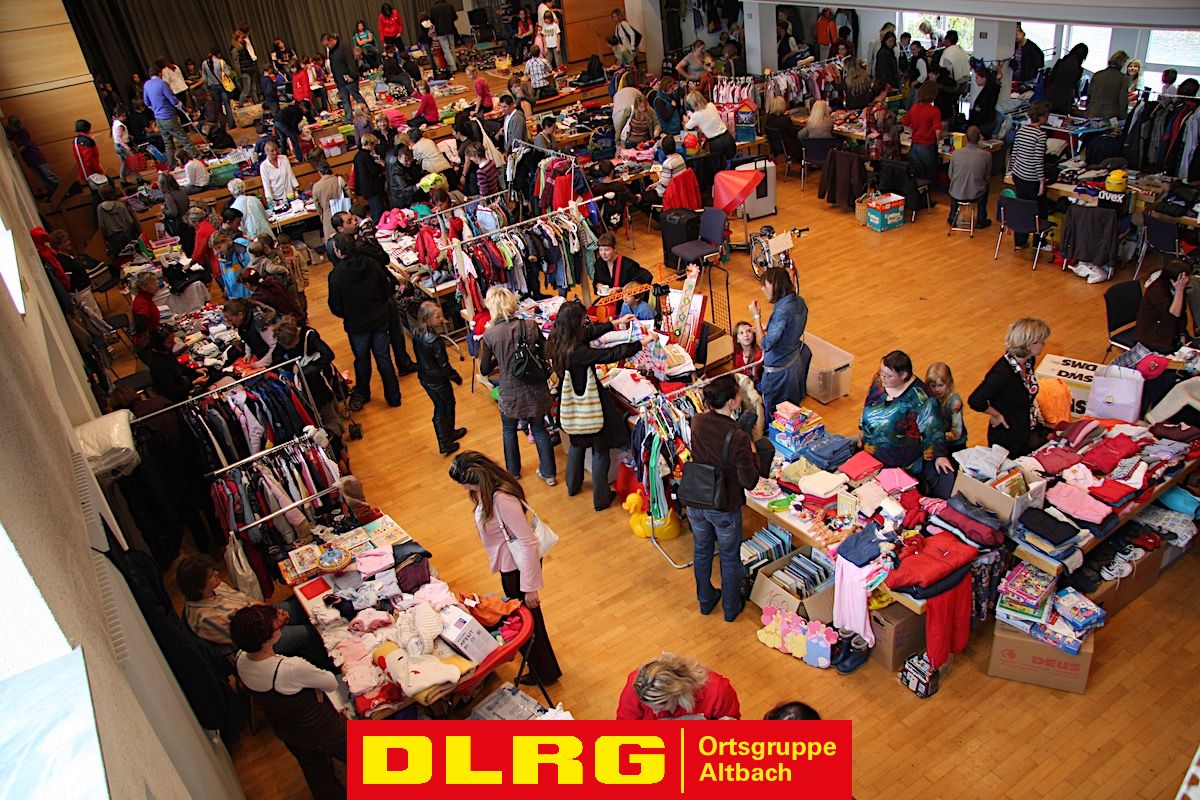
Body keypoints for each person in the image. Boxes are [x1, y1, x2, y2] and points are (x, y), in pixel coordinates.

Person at [448, 450, 562, 685]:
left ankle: (544, 672)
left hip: (518, 568)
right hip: (511, 564)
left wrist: (530, 587)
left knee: (530, 621)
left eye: (465, 485)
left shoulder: (502, 500)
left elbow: (528, 542)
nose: (464, 489)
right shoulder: (489, 492)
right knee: (526, 618)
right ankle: (543, 668)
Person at [230, 605, 346, 800]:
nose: (280, 627)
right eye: (276, 627)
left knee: (317, 774)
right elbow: (330, 682)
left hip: (287, 729)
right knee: (362, 756)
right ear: (266, 639)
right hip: (320, 728)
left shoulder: (241, 658)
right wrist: (314, 688)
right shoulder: (289, 668)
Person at [685, 374, 760, 620]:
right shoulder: (737, 436)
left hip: (697, 498)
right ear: (731, 401)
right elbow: (749, 481)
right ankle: (730, 607)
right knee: (729, 557)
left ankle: (705, 600)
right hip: (724, 504)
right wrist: (752, 452)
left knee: (702, 550)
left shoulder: (697, 421)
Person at [478, 286, 557, 483]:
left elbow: (484, 370)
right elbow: (547, 352)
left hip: (509, 390)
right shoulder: (530, 325)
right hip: (535, 386)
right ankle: (549, 474)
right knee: (539, 428)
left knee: (509, 430)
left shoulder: (490, 335)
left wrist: (500, 359)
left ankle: (513, 471)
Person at [178, 555, 323, 657]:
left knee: (304, 606)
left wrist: (270, 611)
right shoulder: (206, 618)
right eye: (211, 575)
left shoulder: (217, 586)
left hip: (261, 616)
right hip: (260, 642)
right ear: (199, 587)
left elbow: (247, 600)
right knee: (313, 632)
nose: (217, 573)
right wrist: (276, 623)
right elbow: (248, 638)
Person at [860, 350, 954, 498]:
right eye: (881, 372)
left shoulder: (921, 398)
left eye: (888, 375)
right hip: (871, 456)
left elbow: (933, 429)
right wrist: (862, 428)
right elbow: (868, 404)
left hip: (899, 465)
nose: (882, 377)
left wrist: (939, 455)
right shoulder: (879, 381)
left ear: (904, 375)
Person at [327, 231, 402, 408]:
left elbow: (335, 306)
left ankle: (362, 394)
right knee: (384, 358)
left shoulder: (336, 275)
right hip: (379, 318)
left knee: (362, 360)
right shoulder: (372, 264)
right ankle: (394, 397)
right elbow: (386, 289)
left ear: (338, 251)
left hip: (356, 324)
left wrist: (348, 314)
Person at [967, 317, 1052, 459]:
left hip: (1026, 428)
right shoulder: (1002, 373)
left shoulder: (1029, 361)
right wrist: (996, 414)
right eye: (1041, 341)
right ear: (1029, 344)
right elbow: (975, 400)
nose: (1044, 344)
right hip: (1008, 438)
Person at [748, 267, 809, 419]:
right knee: (793, 412)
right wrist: (768, 328)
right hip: (794, 364)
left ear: (775, 285)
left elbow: (765, 344)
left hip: (779, 374)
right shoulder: (799, 302)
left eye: (765, 285)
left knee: (776, 416)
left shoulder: (781, 311)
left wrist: (756, 317)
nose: (763, 289)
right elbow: (790, 328)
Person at [411, 301, 467, 454]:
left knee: (442, 405)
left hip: (425, 377)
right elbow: (444, 365)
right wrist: (455, 377)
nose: (442, 319)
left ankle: (448, 434)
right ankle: (445, 442)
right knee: (443, 407)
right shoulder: (434, 340)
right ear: (427, 318)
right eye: (438, 317)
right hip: (437, 379)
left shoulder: (416, 332)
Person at [616, 654, 740, 719]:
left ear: (679, 693)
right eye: (649, 706)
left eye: (661, 706)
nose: (654, 712)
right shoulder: (638, 684)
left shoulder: (718, 691)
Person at [1008, 100, 1050, 250]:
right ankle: (1039, 242)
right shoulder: (1040, 135)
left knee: (1023, 208)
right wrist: (1042, 181)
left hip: (1018, 175)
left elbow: (1014, 153)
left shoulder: (1021, 130)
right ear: (1043, 116)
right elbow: (1038, 160)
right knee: (1040, 210)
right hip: (1032, 178)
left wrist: (1011, 170)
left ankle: (1020, 241)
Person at [143, 59, 197, 169]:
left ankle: (172, 165)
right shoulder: (162, 83)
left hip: (159, 119)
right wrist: (184, 108)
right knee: (183, 139)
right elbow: (173, 100)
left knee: (168, 143)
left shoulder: (146, 85)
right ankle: (197, 157)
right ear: (160, 73)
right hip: (168, 116)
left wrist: (155, 109)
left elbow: (147, 102)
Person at [1135, 263, 1189, 354]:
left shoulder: (1177, 287)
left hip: (1172, 332)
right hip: (1154, 336)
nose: (1189, 280)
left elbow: (1182, 313)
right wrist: (1179, 290)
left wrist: (1182, 334)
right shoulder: (1156, 290)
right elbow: (1173, 315)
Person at [142, 326, 207, 401]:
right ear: (159, 344)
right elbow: (172, 392)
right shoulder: (157, 365)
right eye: (170, 342)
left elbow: (177, 366)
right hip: (175, 396)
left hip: (181, 383)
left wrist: (195, 371)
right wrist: (194, 383)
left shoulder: (165, 351)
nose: (174, 343)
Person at [948, 125, 992, 229]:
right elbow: (986, 176)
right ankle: (981, 219)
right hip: (976, 193)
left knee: (955, 184)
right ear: (979, 138)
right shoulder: (986, 155)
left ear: (966, 138)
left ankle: (952, 217)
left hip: (956, 193)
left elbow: (950, 175)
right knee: (986, 187)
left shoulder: (956, 153)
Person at [5, 116, 59, 197]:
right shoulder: (11, 131)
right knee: (41, 177)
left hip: (36, 156)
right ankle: (53, 192)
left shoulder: (23, 131)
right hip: (28, 159)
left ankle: (61, 188)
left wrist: (15, 153)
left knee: (48, 174)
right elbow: (9, 136)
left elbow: (24, 145)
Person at [324, 33, 368, 123]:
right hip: (339, 80)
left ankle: (366, 114)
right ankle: (348, 119)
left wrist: (352, 75)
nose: (327, 47)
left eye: (327, 44)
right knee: (345, 100)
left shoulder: (344, 46)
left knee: (356, 96)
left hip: (349, 78)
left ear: (331, 40)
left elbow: (350, 61)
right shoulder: (331, 51)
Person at [925, 362, 967, 453]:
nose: (937, 389)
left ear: (948, 383)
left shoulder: (954, 402)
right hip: (938, 441)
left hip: (955, 445)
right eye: (933, 386)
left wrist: (935, 437)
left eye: (940, 385)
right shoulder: (930, 398)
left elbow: (956, 433)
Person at [684, 91, 734, 164]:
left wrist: (686, 120)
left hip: (717, 144)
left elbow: (686, 128)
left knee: (718, 167)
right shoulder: (711, 105)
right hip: (727, 137)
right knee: (731, 164)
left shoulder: (695, 116)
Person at [907, 80, 942, 180]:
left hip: (914, 145)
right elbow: (938, 131)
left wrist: (913, 132)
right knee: (928, 175)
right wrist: (939, 140)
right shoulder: (934, 111)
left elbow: (906, 123)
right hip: (927, 146)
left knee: (916, 174)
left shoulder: (914, 108)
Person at [96, 182, 139, 256]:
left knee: (119, 259)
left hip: (113, 238)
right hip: (126, 235)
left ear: (101, 195)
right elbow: (130, 221)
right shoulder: (120, 205)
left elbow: (101, 226)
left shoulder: (100, 208)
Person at [1045, 43, 1088, 115]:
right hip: (1066, 97)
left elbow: (1051, 78)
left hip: (1052, 93)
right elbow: (1074, 84)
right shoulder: (1079, 69)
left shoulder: (1060, 62)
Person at [353, 133, 388, 221]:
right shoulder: (367, 156)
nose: (374, 147)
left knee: (374, 209)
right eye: (374, 145)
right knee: (378, 210)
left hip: (365, 189)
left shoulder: (357, 156)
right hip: (373, 188)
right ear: (369, 144)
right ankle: (378, 225)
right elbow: (375, 171)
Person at [1088, 51, 1131, 120]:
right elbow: (1123, 101)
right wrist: (1124, 118)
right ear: (1123, 62)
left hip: (1093, 112)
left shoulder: (1097, 75)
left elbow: (1089, 93)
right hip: (1111, 115)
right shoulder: (1123, 79)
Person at [259, 140, 299, 209]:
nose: (275, 152)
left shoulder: (284, 158)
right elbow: (266, 184)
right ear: (266, 152)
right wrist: (269, 199)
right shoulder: (263, 166)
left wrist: (296, 188)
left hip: (290, 194)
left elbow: (291, 174)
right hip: (277, 197)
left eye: (276, 149)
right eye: (272, 151)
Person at [212, 235, 253, 301]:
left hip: (247, 295)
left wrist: (252, 292)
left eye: (219, 247)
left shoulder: (240, 253)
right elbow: (224, 275)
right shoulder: (221, 259)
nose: (218, 251)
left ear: (226, 241)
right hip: (234, 297)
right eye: (215, 249)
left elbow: (250, 270)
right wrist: (226, 288)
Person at [186, 203, 220, 281]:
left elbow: (199, 252)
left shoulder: (201, 231)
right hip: (217, 257)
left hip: (215, 260)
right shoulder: (207, 223)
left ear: (194, 221)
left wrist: (190, 264)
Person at [649, 135, 687, 200]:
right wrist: (656, 184)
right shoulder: (680, 157)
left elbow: (665, 184)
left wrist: (659, 175)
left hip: (669, 193)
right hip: (679, 190)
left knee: (645, 195)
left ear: (664, 149)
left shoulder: (667, 163)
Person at [968, 67, 1000, 137]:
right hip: (984, 123)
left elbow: (983, 110)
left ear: (984, 78)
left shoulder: (988, 92)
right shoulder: (988, 90)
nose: (975, 80)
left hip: (983, 124)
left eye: (977, 78)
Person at [110, 105, 137, 187]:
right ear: (118, 116)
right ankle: (139, 179)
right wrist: (125, 146)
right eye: (123, 116)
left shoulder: (115, 122)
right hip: (122, 146)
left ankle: (123, 181)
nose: (125, 117)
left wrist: (128, 136)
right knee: (132, 162)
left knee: (124, 164)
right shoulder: (120, 125)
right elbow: (119, 137)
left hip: (117, 146)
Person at [130, 272, 161, 338]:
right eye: (154, 283)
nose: (157, 284)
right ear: (144, 288)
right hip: (151, 338)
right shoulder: (142, 304)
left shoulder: (145, 297)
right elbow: (141, 326)